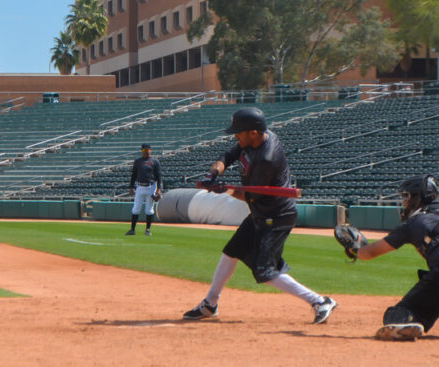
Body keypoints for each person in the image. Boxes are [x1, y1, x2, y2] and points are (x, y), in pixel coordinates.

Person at [184, 107, 337, 324]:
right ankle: (210, 304)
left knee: (265, 271)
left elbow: (250, 196)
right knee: (231, 251)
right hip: (260, 212)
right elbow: (227, 156)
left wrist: (223, 190)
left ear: (253, 132)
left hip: (276, 216)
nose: (236, 136)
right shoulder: (251, 140)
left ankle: (320, 301)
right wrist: (214, 173)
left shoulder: (267, 157)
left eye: (239, 132)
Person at [344, 175, 439, 340]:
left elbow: (369, 253)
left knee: (396, 315)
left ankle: (406, 322)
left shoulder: (413, 223)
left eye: (406, 196)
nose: (403, 201)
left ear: (418, 197)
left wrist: (355, 248)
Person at [126, 143, 162, 236]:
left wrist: (159, 189)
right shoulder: (138, 161)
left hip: (151, 186)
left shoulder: (155, 161)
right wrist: (131, 186)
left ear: (151, 150)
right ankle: (132, 230)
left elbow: (159, 176)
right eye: (143, 150)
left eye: (147, 150)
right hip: (140, 186)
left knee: (149, 209)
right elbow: (134, 174)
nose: (145, 152)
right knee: (136, 208)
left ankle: (148, 230)